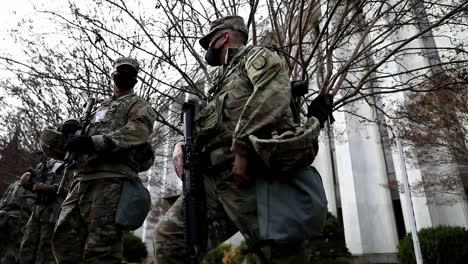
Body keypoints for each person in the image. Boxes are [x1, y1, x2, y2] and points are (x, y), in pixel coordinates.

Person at [153, 16, 332, 263]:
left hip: (252, 176)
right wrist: (179, 143)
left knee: (281, 255)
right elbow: (202, 123)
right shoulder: (218, 81)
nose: (207, 50)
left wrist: (243, 147)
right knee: (168, 240)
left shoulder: (255, 56)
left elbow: (273, 94)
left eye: (209, 42)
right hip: (212, 179)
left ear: (223, 37)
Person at [51, 57, 157, 264]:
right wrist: (69, 130)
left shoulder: (138, 105)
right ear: (112, 75)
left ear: (135, 79)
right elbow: (75, 140)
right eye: (120, 71)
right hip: (81, 181)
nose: (123, 75)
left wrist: (94, 142)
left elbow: (137, 132)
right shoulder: (97, 107)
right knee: (65, 240)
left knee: (101, 249)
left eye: (129, 72)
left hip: (111, 182)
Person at [19, 156, 66, 264]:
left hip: (52, 211)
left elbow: (69, 189)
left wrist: (47, 188)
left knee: (45, 248)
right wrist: (28, 182)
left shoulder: (66, 165)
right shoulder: (42, 165)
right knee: (27, 244)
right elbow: (32, 184)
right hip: (37, 210)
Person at [0, 180, 34, 264]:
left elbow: (3, 200)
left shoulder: (16, 185)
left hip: (18, 219)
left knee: (12, 248)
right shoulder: (16, 184)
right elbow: (4, 200)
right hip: (11, 217)